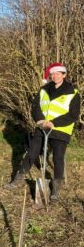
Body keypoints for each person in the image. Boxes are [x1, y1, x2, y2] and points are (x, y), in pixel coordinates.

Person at [6, 62, 80, 201]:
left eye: (58, 73)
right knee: (32, 153)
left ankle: (56, 190)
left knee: (57, 157)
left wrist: (54, 123)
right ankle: (18, 180)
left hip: (61, 130)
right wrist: (40, 120)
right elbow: (35, 107)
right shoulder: (43, 90)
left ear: (64, 75)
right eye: (52, 74)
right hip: (43, 127)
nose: (55, 76)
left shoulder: (73, 93)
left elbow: (73, 115)